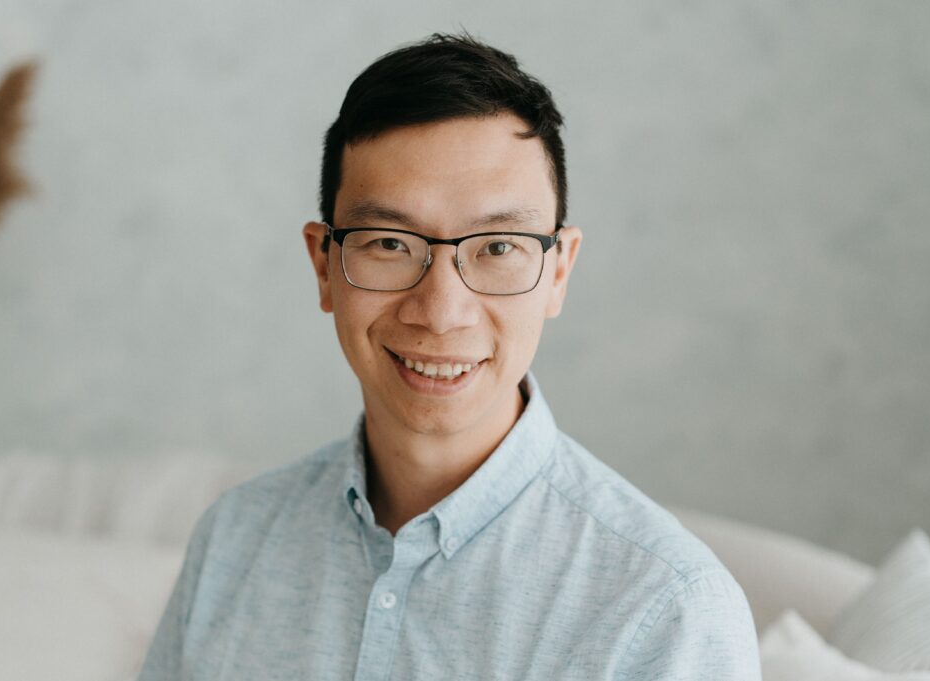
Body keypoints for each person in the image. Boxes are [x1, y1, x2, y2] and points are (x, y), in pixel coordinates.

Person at [139, 33, 761, 680]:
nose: (440, 310)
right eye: (389, 242)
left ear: (558, 271)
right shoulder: (234, 540)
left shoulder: (667, 609)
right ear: (325, 265)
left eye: (497, 248)